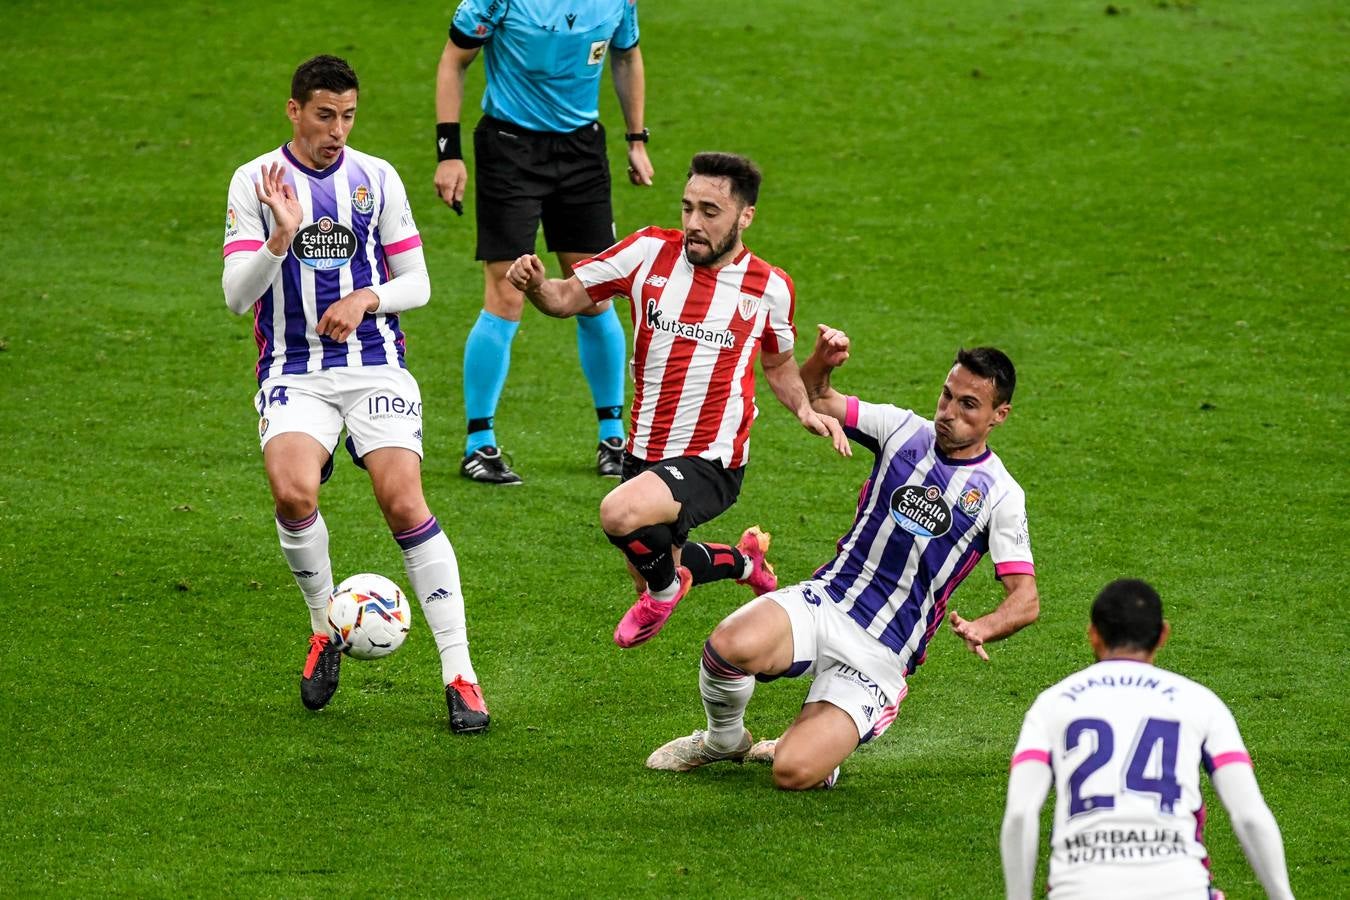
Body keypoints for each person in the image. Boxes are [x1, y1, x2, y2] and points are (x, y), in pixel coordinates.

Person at [644, 324, 1039, 789]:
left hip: (883, 653)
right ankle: (722, 740)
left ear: (1000, 415)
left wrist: (984, 626)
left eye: (968, 405)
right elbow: (815, 397)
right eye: (947, 396)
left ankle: (824, 743)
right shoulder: (901, 429)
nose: (949, 412)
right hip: (830, 601)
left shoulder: (1001, 494)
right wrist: (820, 363)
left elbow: (1025, 598)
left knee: (791, 773)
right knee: (728, 646)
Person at [220, 55, 490, 734]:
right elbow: (235, 297)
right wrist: (280, 238)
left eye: (347, 116)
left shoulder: (376, 178)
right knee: (293, 493)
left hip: (374, 364)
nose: (337, 129)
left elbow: (419, 282)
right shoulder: (255, 180)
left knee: (403, 500)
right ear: (294, 111)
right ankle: (322, 630)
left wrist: (368, 297)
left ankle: (460, 673)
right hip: (293, 370)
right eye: (323, 115)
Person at [506, 152, 850, 648]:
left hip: (714, 459)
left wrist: (803, 408)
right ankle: (743, 561)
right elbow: (563, 299)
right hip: (645, 449)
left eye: (710, 212)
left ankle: (665, 594)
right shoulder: (646, 251)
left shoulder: (770, 287)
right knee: (651, 566)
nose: (693, 223)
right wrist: (537, 284)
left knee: (620, 515)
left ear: (744, 216)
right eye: (687, 207)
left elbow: (777, 365)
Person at [434, 0, 654, 485]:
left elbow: (627, 54)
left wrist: (636, 139)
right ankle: (479, 444)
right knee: (506, 292)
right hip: (508, 149)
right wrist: (448, 152)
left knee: (595, 291)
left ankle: (614, 438)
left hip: (581, 150)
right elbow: (455, 58)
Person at [1001, 579, 1294, 900]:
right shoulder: (1200, 702)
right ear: (1163, 635)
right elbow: (1249, 815)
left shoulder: (1052, 704)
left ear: (1093, 634)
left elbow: (1019, 815)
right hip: (1180, 889)